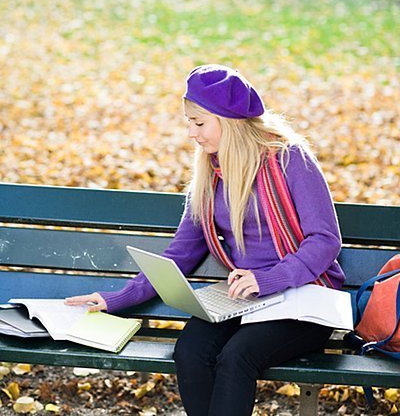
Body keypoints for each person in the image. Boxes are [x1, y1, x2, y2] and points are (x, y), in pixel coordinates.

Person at [66, 64, 345, 416]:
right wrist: (115, 298)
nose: (191, 133)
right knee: (191, 351)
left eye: (199, 122)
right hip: (244, 300)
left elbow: (325, 239)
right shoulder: (210, 175)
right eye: (188, 122)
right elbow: (180, 254)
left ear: (230, 121)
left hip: (305, 299)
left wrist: (268, 278)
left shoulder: (289, 159)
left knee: (236, 357)